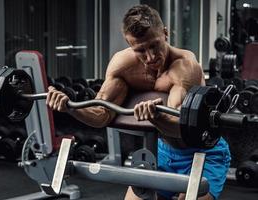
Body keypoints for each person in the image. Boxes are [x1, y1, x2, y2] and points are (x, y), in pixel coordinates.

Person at [46, 4, 231, 200]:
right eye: (141, 50)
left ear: (165, 33)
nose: (150, 57)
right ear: (129, 44)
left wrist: (156, 117)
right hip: (163, 153)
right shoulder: (122, 65)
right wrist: (69, 107)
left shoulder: (185, 66)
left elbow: (182, 129)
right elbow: (101, 116)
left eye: (155, 45)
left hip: (202, 153)